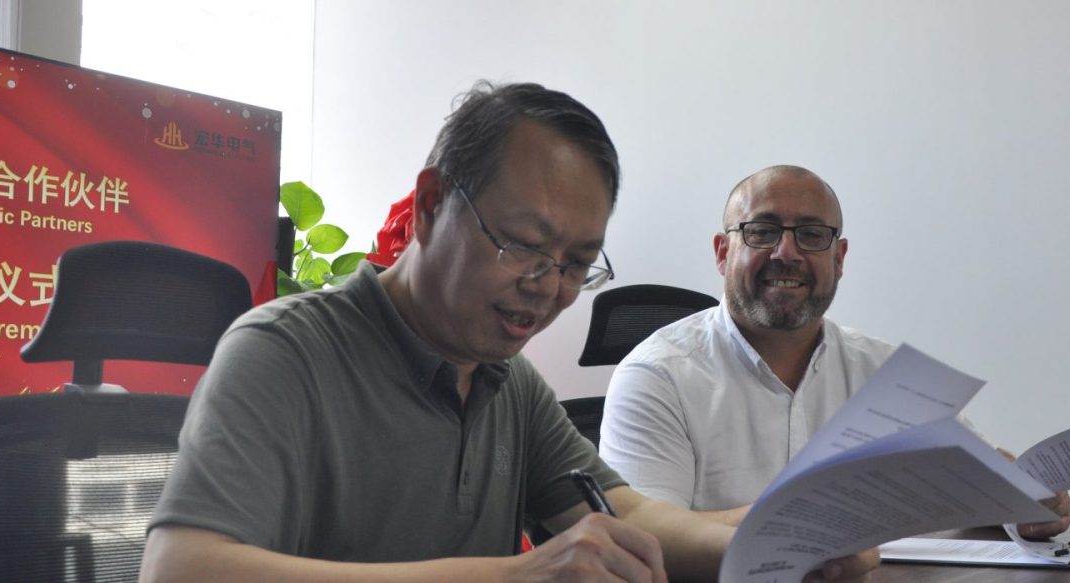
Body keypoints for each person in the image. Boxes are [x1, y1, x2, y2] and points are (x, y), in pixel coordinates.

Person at [141, 84, 875, 583]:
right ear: (429, 206)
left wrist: (788, 546)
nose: (547, 285)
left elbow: (632, 515)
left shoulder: (507, 383)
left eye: (576, 264)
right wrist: (512, 574)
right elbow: (179, 564)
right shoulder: (285, 352)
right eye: (523, 244)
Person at [599, 165, 1070, 536]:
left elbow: (977, 488)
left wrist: (1026, 508)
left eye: (811, 235)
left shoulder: (886, 374)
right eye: (762, 231)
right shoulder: (656, 376)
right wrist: (818, 516)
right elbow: (645, 539)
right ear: (723, 252)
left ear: (838, 259)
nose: (786, 252)